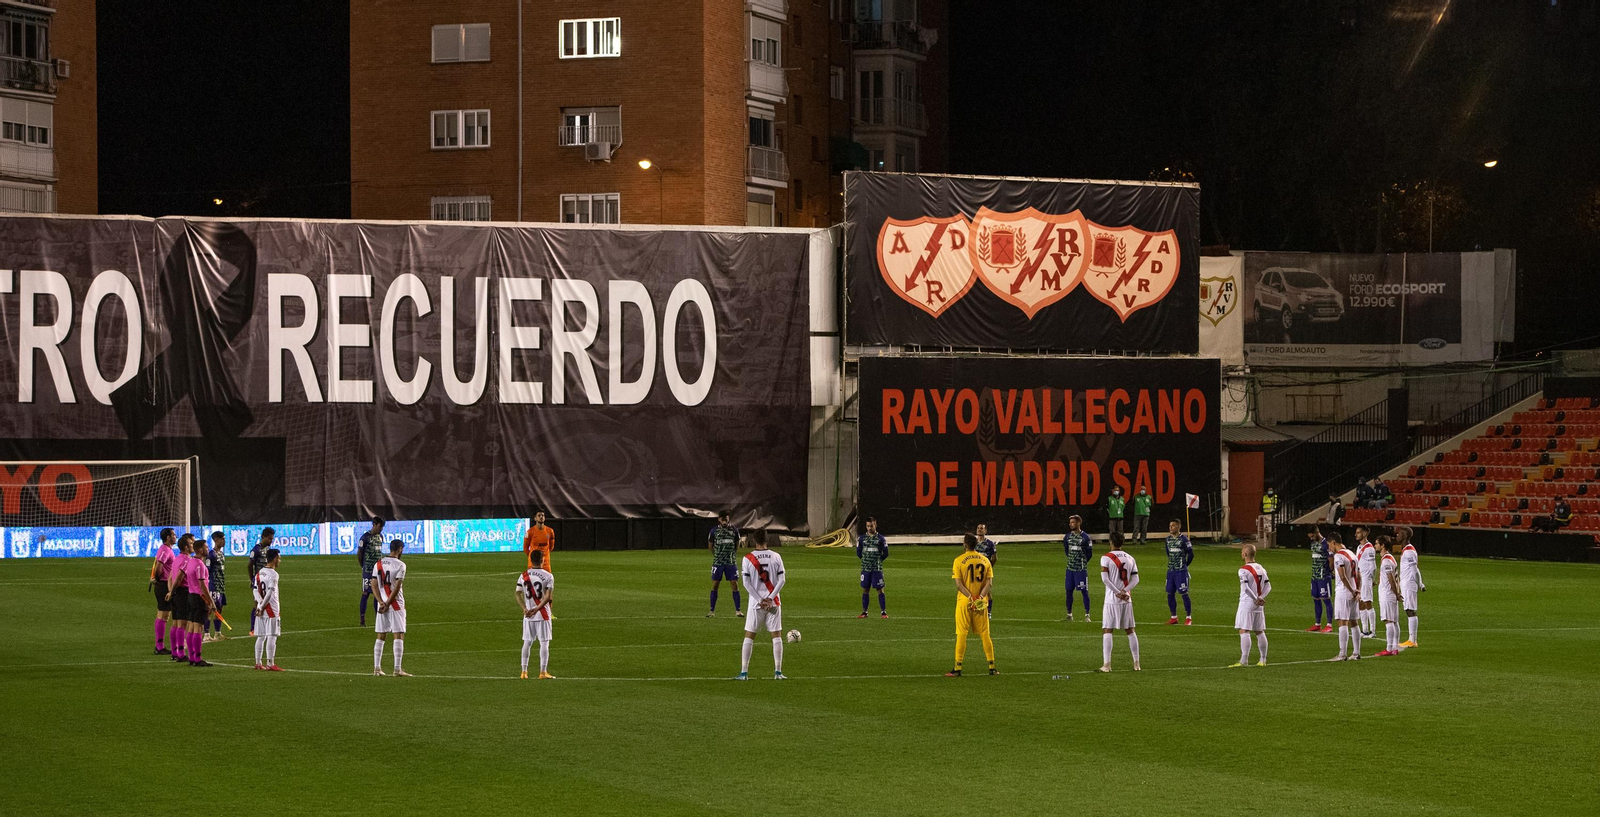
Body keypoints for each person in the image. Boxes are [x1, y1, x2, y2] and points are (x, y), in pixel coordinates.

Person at [737, 530, 787, 680]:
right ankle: (778, 672)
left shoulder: (748, 558)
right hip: (774, 603)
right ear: (768, 539)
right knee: (776, 635)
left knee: (750, 635)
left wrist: (760, 599)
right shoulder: (776, 556)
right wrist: (770, 598)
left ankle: (744, 672)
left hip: (755, 603)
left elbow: (746, 582)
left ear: (754, 540)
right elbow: (782, 580)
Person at [946, 534, 995, 677]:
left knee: (961, 633)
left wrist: (970, 597)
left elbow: (959, 584)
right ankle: (992, 666)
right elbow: (989, 584)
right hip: (981, 603)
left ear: (965, 545)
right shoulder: (985, 560)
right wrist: (979, 597)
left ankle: (958, 668)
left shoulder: (959, 560)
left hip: (965, 602)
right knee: (985, 634)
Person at [1099, 536, 1141, 672]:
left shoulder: (1106, 558)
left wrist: (1118, 592)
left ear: (1111, 542)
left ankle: (1107, 665)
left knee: (1107, 630)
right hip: (1126, 599)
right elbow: (1136, 579)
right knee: (1130, 630)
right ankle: (1136, 664)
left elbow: (1105, 579)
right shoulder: (1130, 558)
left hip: (1112, 599)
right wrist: (1125, 591)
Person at [373, 539, 410, 677]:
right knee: (398, 634)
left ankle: (377, 668)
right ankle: (397, 669)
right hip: (395, 603)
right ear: (400, 549)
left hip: (381, 603)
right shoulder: (401, 565)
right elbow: (397, 587)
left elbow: (374, 584)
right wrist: (388, 603)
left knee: (381, 634)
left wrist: (380, 602)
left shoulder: (378, 563)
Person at [516, 550, 555, 679]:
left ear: (531, 560)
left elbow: (517, 594)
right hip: (542, 614)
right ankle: (543, 672)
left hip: (528, 615)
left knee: (527, 642)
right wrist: (537, 608)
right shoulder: (548, 576)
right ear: (543, 560)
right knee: (544, 643)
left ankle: (524, 672)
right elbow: (548, 597)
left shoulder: (523, 575)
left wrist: (524, 608)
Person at [179, 536, 217, 667]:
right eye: (206, 547)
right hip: (199, 598)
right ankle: (197, 658)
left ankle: (192, 657)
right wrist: (211, 601)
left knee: (191, 627)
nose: (208, 549)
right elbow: (202, 586)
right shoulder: (200, 565)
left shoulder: (190, 562)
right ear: (200, 550)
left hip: (190, 596)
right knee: (198, 628)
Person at [1231, 544, 1271, 667]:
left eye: (1242, 551)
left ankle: (1244, 660)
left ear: (1245, 554)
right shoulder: (1261, 568)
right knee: (1259, 631)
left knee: (1244, 630)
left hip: (1247, 603)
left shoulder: (1243, 570)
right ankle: (1263, 660)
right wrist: (1260, 598)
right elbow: (1268, 586)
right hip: (1259, 605)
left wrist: (1255, 599)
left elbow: (1245, 588)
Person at [1329, 533, 1361, 661]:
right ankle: (1356, 653)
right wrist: (1358, 591)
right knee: (1354, 622)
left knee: (1342, 621)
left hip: (1344, 592)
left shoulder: (1338, 556)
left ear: (1333, 542)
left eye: (1329, 545)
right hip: (1354, 592)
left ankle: (1342, 654)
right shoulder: (1353, 554)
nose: (1329, 548)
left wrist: (1352, 590)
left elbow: (1342, 577)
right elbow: (1359, 575)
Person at [252, 548, 284, 671]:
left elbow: (255, 590)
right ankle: (270, 663)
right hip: (271, 609)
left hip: (261, 608)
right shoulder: (274, 574)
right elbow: (270, 593)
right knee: (272, 636)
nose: (280, 561)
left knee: (261, 636)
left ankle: (258, 663)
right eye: (279, 558)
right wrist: (263, 605)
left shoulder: (259, 573)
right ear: (275, 559)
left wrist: (260, 605)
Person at [165, 534, 195, 663]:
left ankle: (174, 652)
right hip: (183, 593)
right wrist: (172, 591)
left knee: (176, 624)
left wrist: (171, 591)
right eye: (191, 543)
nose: (193, 545)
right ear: (186, 547)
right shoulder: (187, 560)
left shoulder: (177, 558)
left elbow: (170, 577)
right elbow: (179, 577)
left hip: (176, 592)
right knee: (183, 624)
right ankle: (181, 653)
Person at [706, 512, 743, 617]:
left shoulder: (734, 530)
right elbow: (710, 545)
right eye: (723, 519)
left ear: (728, 519)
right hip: (718, 562)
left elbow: (737, 544)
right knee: (715, 584)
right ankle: (712, 611)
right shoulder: (714, 531)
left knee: (734, 584)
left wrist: (732, 555)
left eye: (726, 519)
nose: (725, 521)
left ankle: (738, 611)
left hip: (730, 562)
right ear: (719, 519)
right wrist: (717, 556)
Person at [148, 527, 177, 655]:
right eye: (174, 534)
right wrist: (159, 580)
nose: (175, 536)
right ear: (168, 538)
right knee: (163, 616)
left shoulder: (165, 549)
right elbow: (159, 567)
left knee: (163, 615)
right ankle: (159, 646)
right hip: (164, 584)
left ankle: (159, 646)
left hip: (163, 584)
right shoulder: (165, 550)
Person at [1373, 536, 1402, 657]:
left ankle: (1389, 648)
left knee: (1389, 621)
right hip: (1391, 594)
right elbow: (1397, 578)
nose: (1375, 546)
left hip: (1387, 594)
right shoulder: (1391, 559)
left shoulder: (1386, 561)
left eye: (1377, 543)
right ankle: (1395, 647)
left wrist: (1397, 594)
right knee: (1394, 621)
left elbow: (1391, 579)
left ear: (1383, 545)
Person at [1397, 527, 1425, 649]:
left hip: (1409, 584)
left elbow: (1415, 570)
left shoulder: (1408, 552)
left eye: (1400, 534)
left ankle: (1412, 640)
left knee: (1410, 610)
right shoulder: (1407, 550)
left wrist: (1420, 584)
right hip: (1406, 583)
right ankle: (1411, 639)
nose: (1397, 535)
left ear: (1406, 536)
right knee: (1409, 609)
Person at [1163, 519, 1195, 626]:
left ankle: (1188, 617)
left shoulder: (1184, 540)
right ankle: (1173, 617)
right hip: (1171, 571)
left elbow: (1191, 554)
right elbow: (1168, 553)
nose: (1170, 527)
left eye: (1173, 526)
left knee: (1183, 593)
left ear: (1178, 527)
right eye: (1170, 525)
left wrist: (1185, 565)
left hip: (1181, 571)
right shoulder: (1167, 540)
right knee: (1170, 593)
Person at [1062, 515, 1093, 622]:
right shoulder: (1067, 537)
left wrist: (1082, 563)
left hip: (1081, 570)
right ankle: (1069, 614)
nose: (1071, 524)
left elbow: (1089, 554)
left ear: (1079, 523)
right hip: (1070, 569)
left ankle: (1087, 614)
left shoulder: (1085, 537)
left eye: (1073, 522)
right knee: (1068, 591)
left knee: (1084, 591)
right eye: (1070, 522)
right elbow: (1067, 551)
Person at [856, 517, 888, 618]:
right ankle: (865, 612)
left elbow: (886, 553)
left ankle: (883, 612)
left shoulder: (881, 539)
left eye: (871, 526)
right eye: (868, 526)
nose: (870, 528)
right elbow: (859, 553)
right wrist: (866, 561)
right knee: (865, 589)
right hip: (865, 568)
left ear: (875, 525)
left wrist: (878, 561)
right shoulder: (861, 539)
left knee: (880, 589)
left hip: (876, 569)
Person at [357, 517, 385, 627]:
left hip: (378, 570)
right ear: (374, 524)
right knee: (366, 593)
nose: (381, 529)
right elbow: (359, 554)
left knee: (376, 594)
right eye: (380, 526)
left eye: (382, 527)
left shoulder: (381, 537)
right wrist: (363, 566)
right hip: (368, 570)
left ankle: (377, 619)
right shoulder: (365, 538)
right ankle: (362, 619)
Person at [247, 528, 274, 636]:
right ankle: (253, 629)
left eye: (272, 539)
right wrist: (252, 579)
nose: (270, 541)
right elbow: (250, 565)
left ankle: (262, 626)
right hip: (259, 581)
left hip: (267, 581)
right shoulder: (256, 550)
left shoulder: (268, 549)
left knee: (267, 603)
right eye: (269, 538)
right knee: (257, 603)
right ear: (263, 537)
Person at [1307, 528, 1334, 633]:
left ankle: (1329, 625)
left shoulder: (1326, 544)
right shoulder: (1313, 544)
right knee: (1316, 599)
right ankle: (1317, 624)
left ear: (1317, 532)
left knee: (1326, 599)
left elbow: (1331, 560)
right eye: (1310, 537)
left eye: (1312, 536)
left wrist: (1329, 572)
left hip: (1324, 576)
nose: (1311, 538)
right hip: (1314, 576)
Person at [204, 531, 228, 642]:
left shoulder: (221, 554)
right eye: (222, 539)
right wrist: (208, 586)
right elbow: (206, 571)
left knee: (219, 608)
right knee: (209, 609)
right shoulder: (211, 555)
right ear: (216, 540)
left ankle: (217, 633)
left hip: (221, 585)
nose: (224, 541)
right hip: (213, 586)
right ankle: (206, 634)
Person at [1353, 526, 1377, 638]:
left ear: (1365, 533)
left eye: (1358, 533)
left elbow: (1373, 566)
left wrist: (1371, 579)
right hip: (1360, 580)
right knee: (1360, 604)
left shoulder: (1369, 548)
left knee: (1368, 603)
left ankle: (1373, 631)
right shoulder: (1359, 547)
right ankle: (1365, 630)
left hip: (1366, 578)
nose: (1356, 535)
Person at [974, 523, 997, 615]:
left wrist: (989, 567)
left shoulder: (990, 544)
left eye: (982, 528)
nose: (979, 530)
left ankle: (989, 611)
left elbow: (994, 557)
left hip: (984, 571)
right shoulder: (973, 542)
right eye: (978, 528)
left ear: (985, 531)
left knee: (987, 590)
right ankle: (976, 606)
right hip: (974, 570)